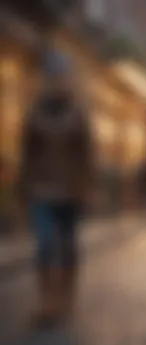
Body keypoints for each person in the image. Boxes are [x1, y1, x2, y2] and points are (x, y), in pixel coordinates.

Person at [18, 50, 95, 326]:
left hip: (71, 190)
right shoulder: (35, 112)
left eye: (62, 76)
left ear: (69, 79)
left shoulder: (78, 113)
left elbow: (87, 155)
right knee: (45, 244)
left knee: (68, 245)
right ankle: (47, 301)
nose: (57, 82)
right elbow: (27, 153)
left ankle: (66, 296)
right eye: (52, 76)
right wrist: (23, 187)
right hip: (41, 189)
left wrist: (87, 188)